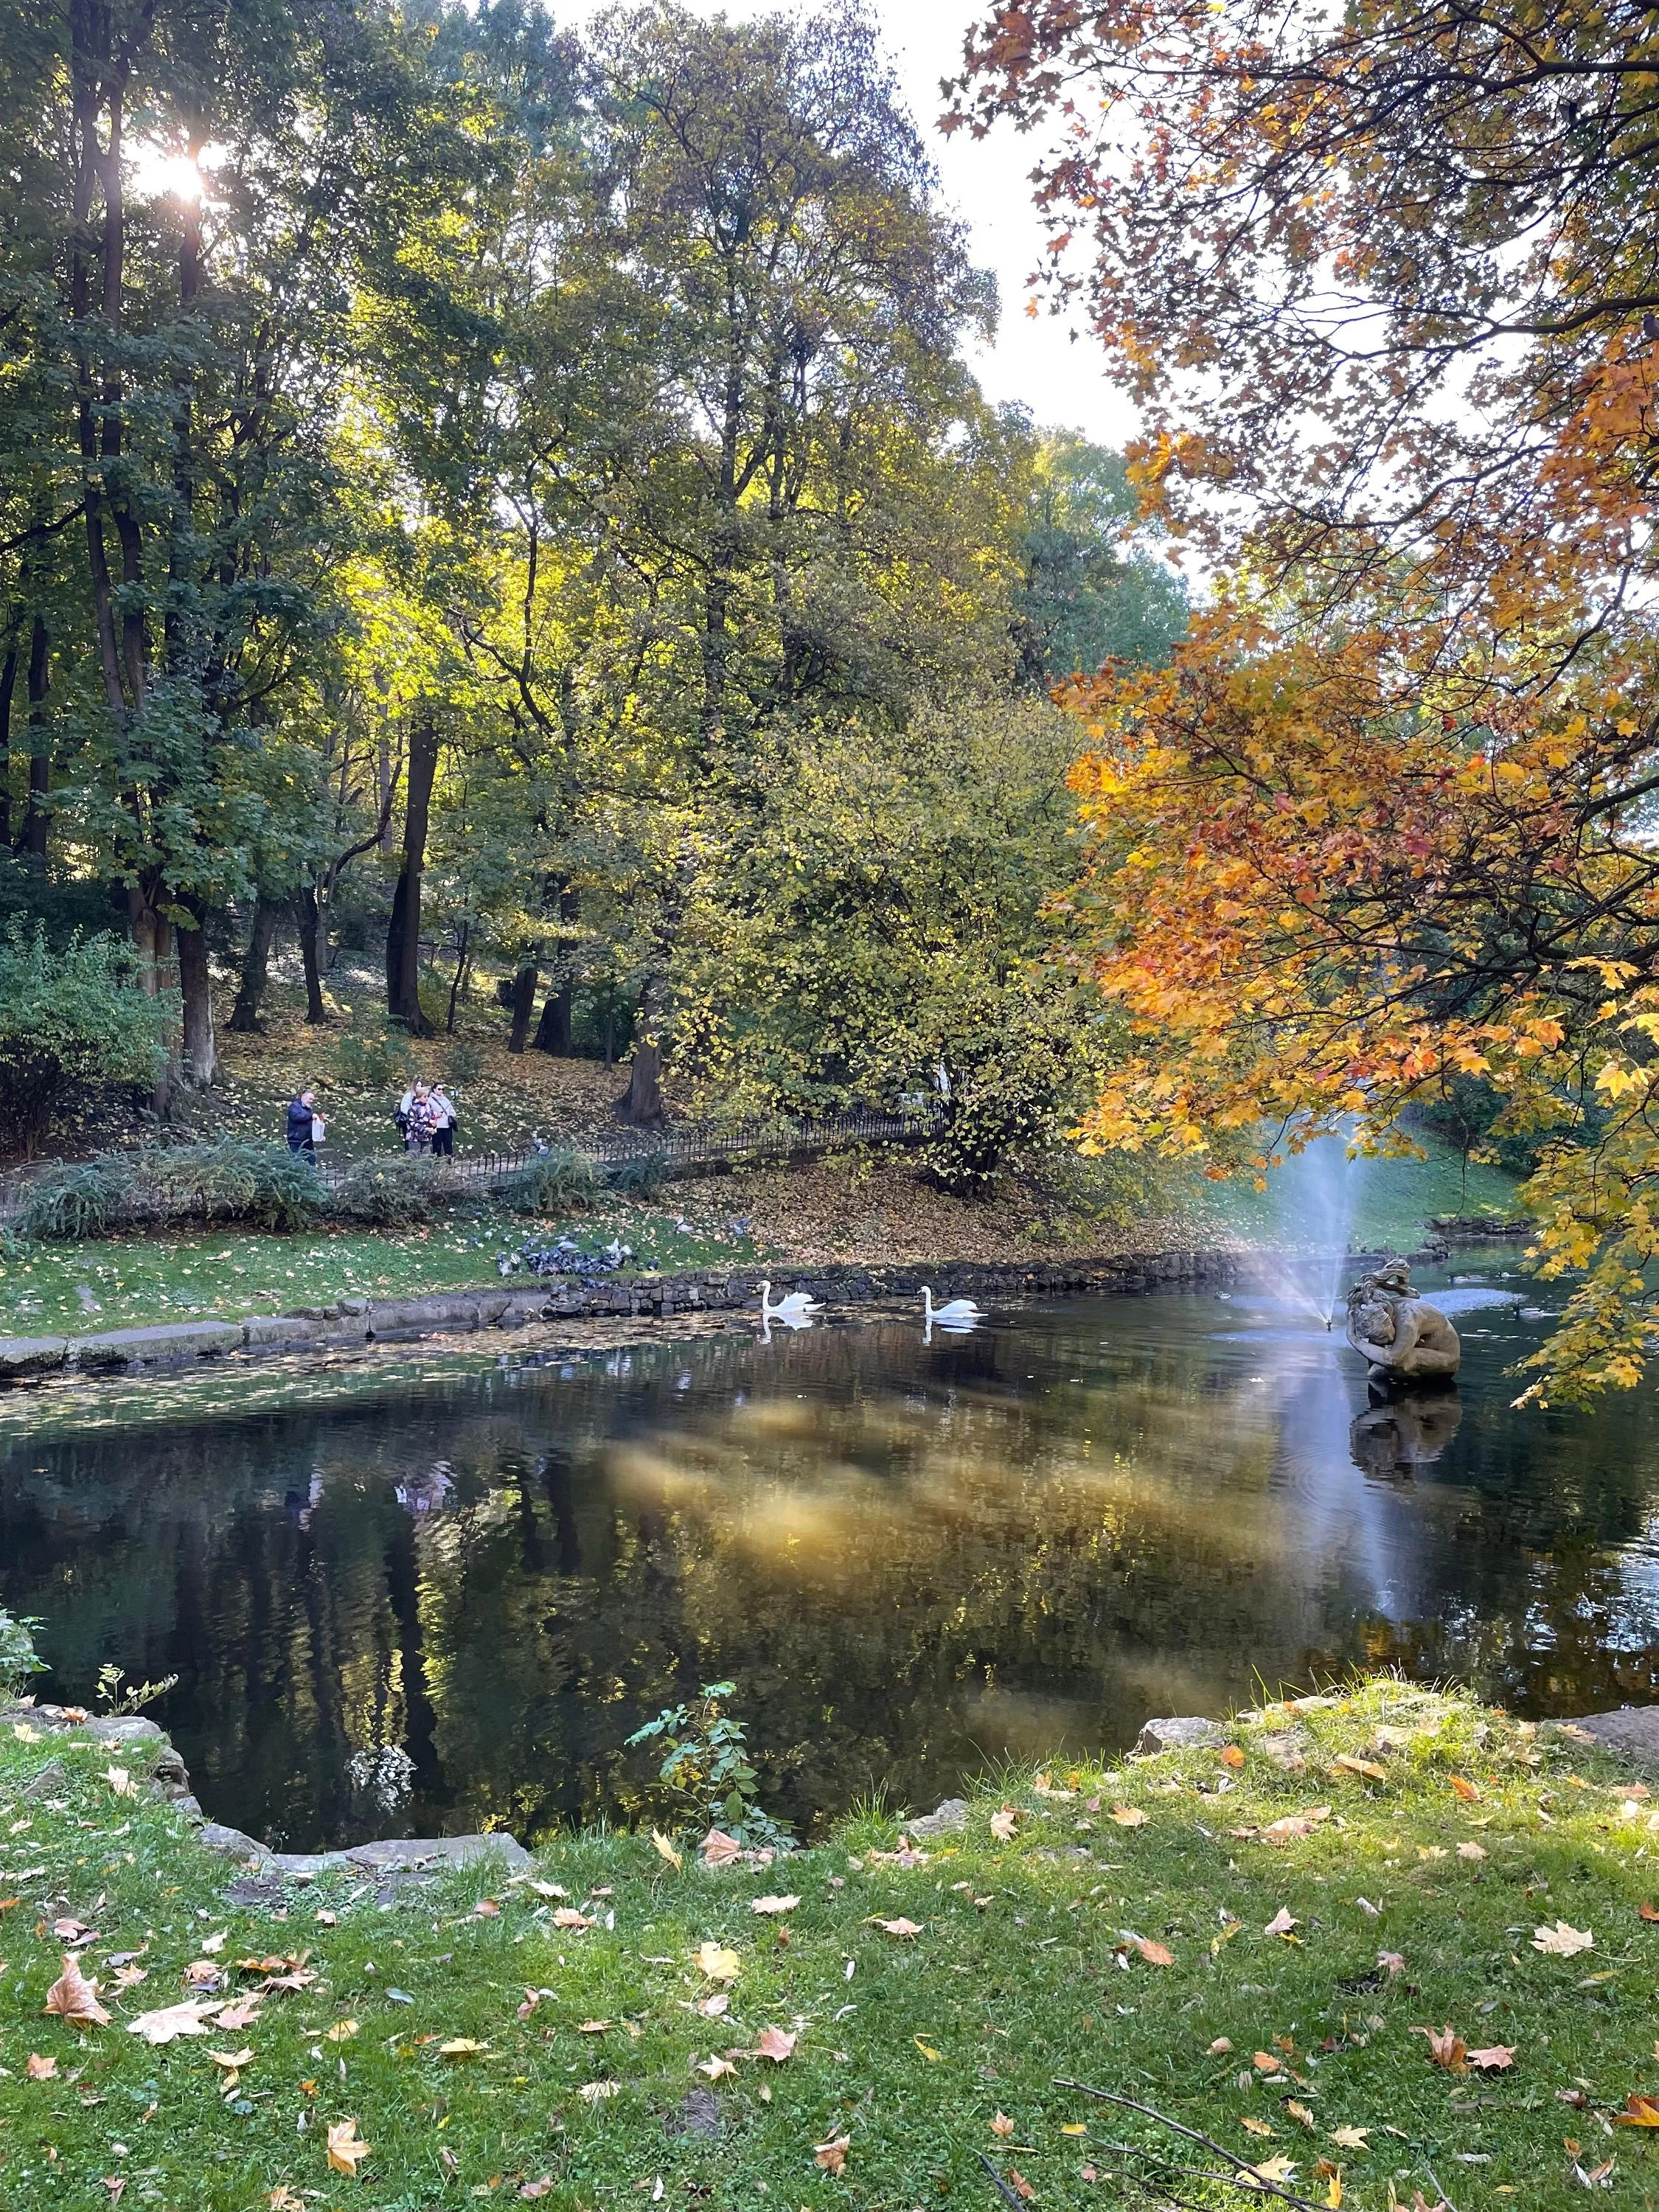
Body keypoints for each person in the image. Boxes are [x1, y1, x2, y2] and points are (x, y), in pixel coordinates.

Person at [287, 1088, 323, 1161]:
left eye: (313, 1100)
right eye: (310, 1099)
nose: (311, 1101)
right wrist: (311, 1117)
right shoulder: (295, 1106)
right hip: (296, 1139)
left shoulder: (308, 1108)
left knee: (312, 1160)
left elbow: (309, 1124)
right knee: (295, 1160)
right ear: (303, 1096)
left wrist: (320, 1135)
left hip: (307, 1140)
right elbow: (296, 1117)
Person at [403, 1079, 437, 1154]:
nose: (427, 1098)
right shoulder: (414, 1108)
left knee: (427, 1158)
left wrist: (433, 1125)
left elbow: (431, 1119)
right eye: (425, 1097)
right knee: (415, 1157)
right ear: (419, 1098)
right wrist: (425, 1128)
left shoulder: (429, 1107)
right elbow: (412, 1123)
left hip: (426, 1137)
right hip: (414, 1137)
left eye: (427, 1096)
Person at [428, 1082, 457, 1158]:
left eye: (442, 1089)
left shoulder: (445, 1099)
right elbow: (427, 1112)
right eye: (439, 1089)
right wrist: (436, 1114)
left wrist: (451, 1114)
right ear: (434, 1089)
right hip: (437, 1126)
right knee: (437, 1146)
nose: (441, 1091)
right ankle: (437, 1161)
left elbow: (451, 1109)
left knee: (448, 1146)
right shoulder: (430, 1100)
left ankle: (450, 1161)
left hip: (447, 1126)